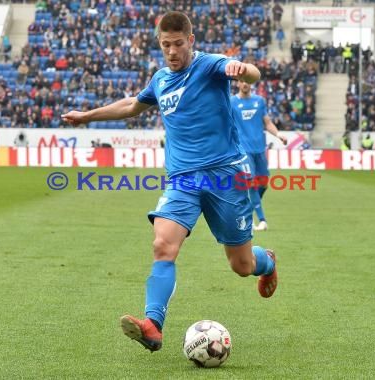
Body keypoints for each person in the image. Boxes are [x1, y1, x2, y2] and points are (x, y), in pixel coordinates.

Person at [61, 11, 278, 353]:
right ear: (159, 44)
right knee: (163, 245)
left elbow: (251, 71)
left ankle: (267, 261)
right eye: (166, 45)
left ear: (190, 41)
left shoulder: (209, 65)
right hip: (183, 180)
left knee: (242, 265)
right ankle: (153, 324)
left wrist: (242, 69)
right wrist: (87, 116)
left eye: (178, 44)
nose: (173, 51)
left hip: (226, 177)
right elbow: (133, 105)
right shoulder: (161, 79)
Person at [231, 79, 287, 232]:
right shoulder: (232, 102)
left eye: (247, 81)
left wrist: (279, 135)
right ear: (237, 84)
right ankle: (262, 221)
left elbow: (267, 123)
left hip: (259, 149)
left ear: (251, 83)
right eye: (242, 81)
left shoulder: (259, 101)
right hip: (244, 151)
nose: (244, 84)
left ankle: (247, 211)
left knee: (263, 183)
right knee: (251, 183)